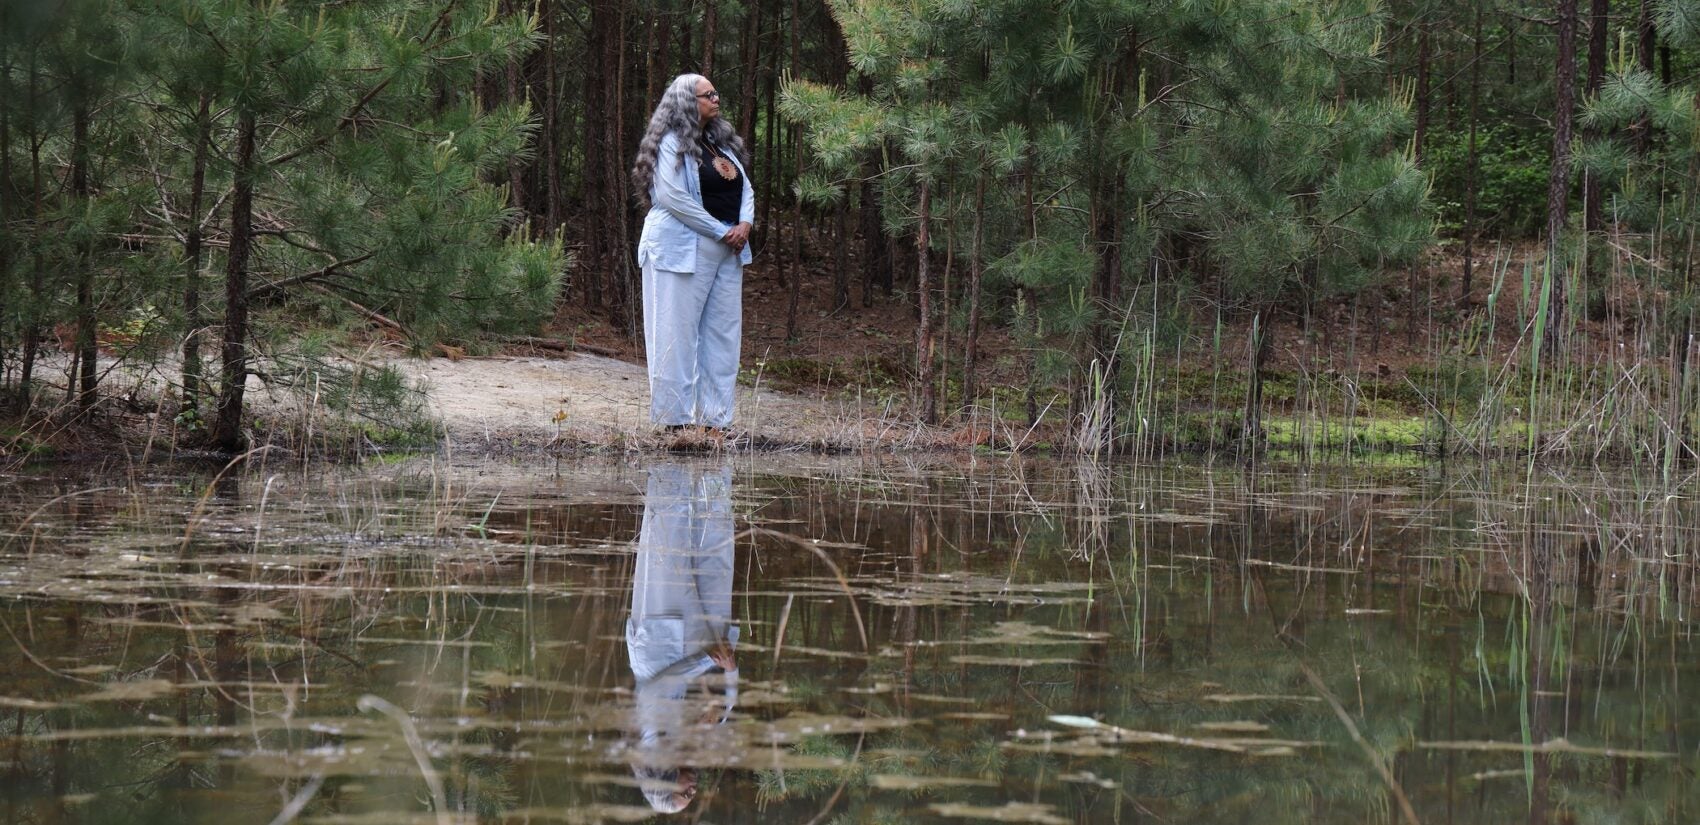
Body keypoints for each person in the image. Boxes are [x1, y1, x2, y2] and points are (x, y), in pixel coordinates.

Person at [631, 74, 755, 440]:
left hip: (727, 251)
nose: (716, 99)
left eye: (716, 93)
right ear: (687, 101)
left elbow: (745, 188)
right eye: (708, 94)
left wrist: (744, 223)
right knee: (676, 330)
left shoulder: (719, 146)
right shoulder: (671, 144)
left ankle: (717, 421)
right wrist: (722, 230)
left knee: (722, 335)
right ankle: (675, 421)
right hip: (679, 247)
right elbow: (672, 198)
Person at [625, 460, 739, 813]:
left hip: (664, 644)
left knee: (668, 544)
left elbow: (656, 689)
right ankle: (716, 463)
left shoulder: (649, 743)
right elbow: (727, 705)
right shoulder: (696, 746)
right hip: (709, 642)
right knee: (717, 550)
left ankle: (671, 459)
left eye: (684, 794)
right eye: (691, 797)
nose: (693, 790)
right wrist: (730, 669)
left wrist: (708, 659)